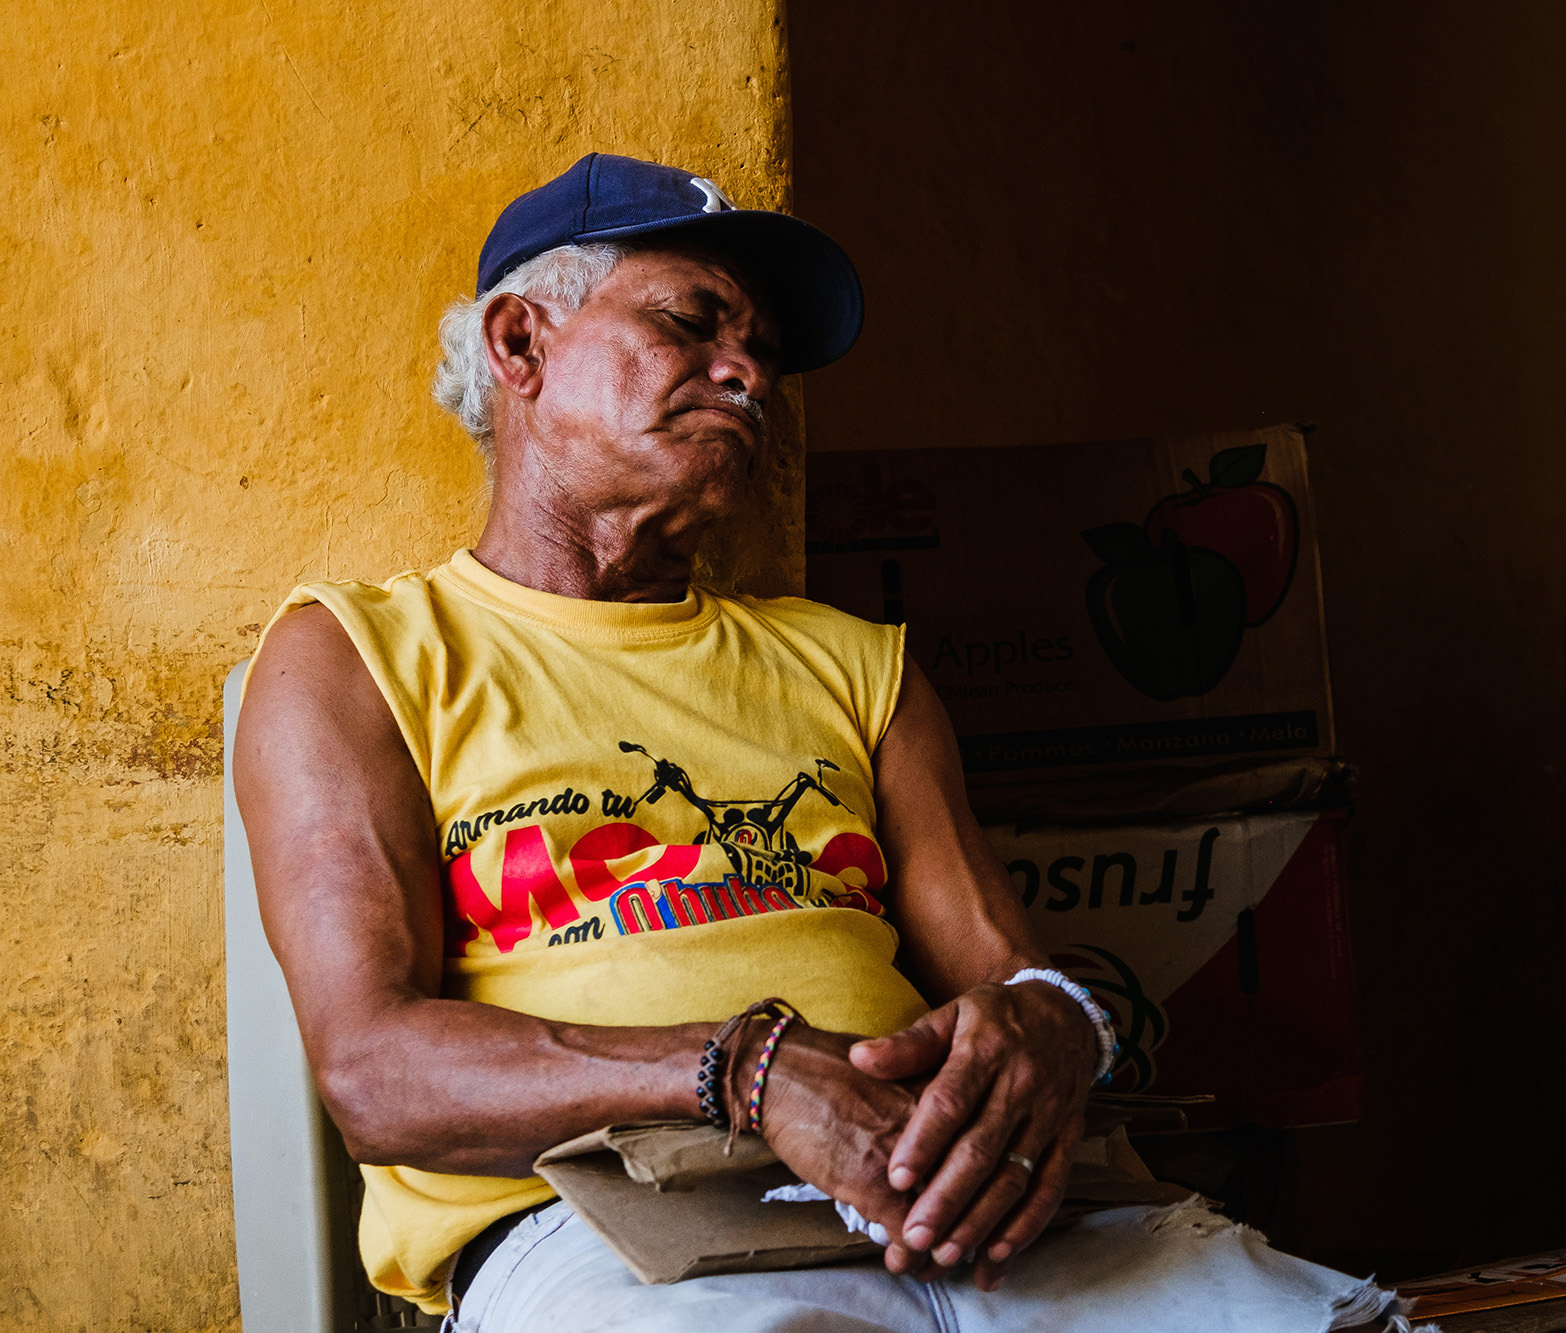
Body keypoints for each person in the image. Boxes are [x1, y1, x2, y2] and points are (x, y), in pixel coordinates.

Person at [234, 154, 1422, 1333]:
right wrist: (745, 1072)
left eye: (762, 352)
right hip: (607, 1227)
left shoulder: (855, 662)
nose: (748, 372)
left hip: (965, 1206)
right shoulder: (358, 654)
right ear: (520, 345)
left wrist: (1056, 1025)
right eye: (690, 322)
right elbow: (376, 1076)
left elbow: (1011, 976)